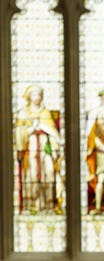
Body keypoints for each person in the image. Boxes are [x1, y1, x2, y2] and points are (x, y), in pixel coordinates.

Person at [14, 85, 62, 214]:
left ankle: (48, 204)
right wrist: (31, 129)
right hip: (31, 149)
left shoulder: (46, 113)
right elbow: (19, 134)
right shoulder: (23, 113)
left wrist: (54, 148)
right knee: (32, 175)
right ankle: (33, 205)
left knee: (49, 173)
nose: (37, 97)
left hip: (45, 149)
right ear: (29, 97)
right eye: (34, 95)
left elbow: (53, 133)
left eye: (39, 95)